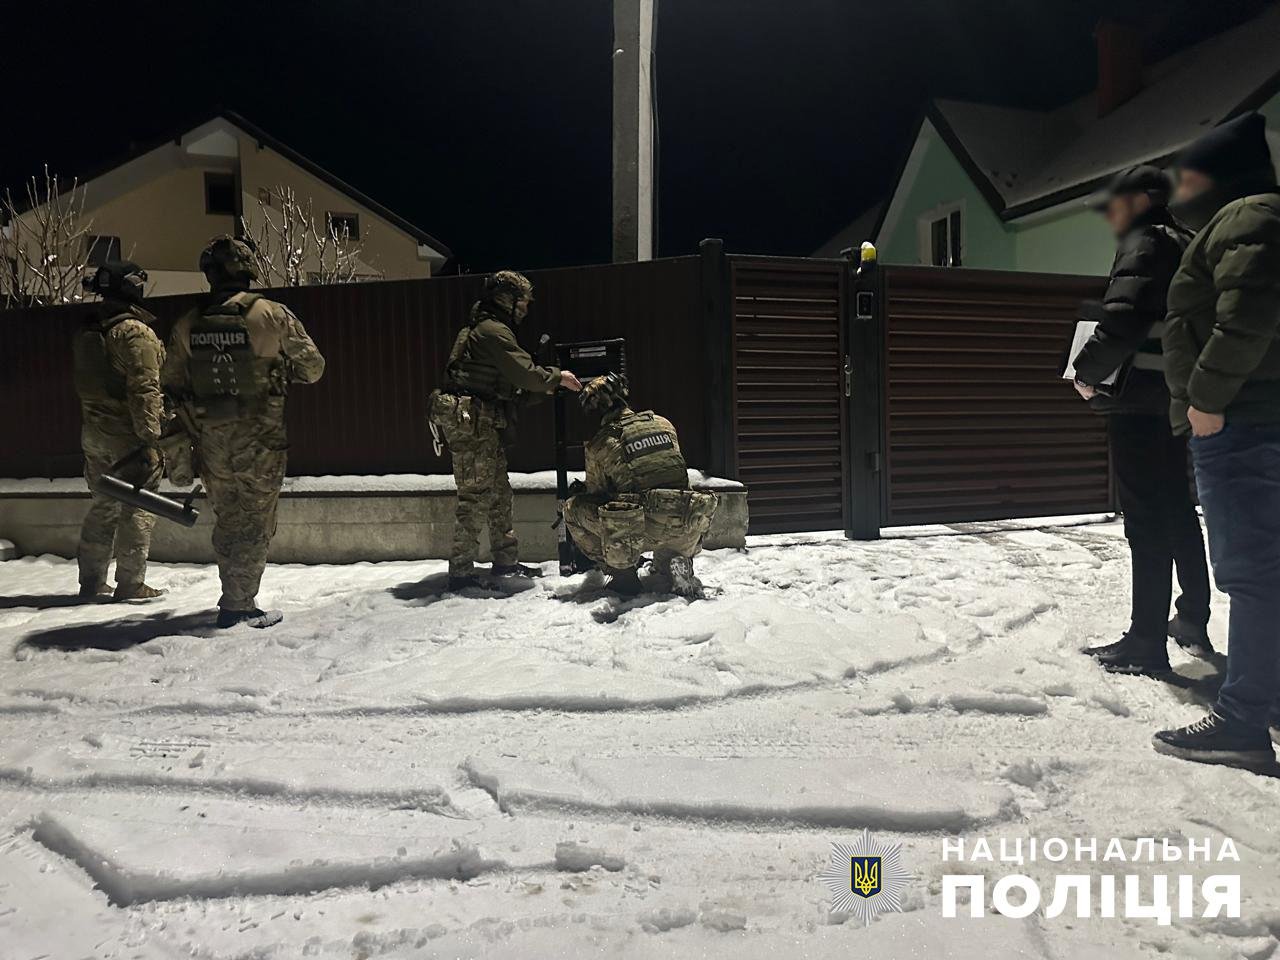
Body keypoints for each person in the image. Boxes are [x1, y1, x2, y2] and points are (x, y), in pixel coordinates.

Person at [1153, 113, 1280, 767]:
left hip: (1242, 423)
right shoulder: (1251, 217)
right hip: (1254, 418)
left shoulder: (1247, 215)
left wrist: (1205, 400)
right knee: (1267, 572)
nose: (1180, 191)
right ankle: (1267, 701)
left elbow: (1248, 314)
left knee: (1252, 573)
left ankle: (1243, 722)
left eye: (1189, 177)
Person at [1072, 165, 1211, 674]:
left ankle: (1145, 642)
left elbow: (1124, 318)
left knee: (1146, 518)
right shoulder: (1187, 240)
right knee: (1176, 504)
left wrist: (1086, 372)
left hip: (1139, 399)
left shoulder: (1144, 242)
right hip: (1176, 395)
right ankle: (1191, 617)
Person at [161, 236, 325, 628]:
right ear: (247, 269)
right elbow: (313, 368)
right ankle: (239, 606)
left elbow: (170, 382)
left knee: (229, 518)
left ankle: (234, 595)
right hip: (260, 438)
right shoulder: (270, 313)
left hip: (212, 437)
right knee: (255, 519)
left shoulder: (188, 322)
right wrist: (278, 370)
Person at [430, 270, 581, 590]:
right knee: (475, 497)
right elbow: (524, 373)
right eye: (522, 302)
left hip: (483, 423)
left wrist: (544, 387)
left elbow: (511, 386)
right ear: (506, 300)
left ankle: (506, 561)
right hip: (471, 424)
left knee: (499, 494)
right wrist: (557, 377)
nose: (525, 309)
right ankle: (461, 573)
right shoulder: (492, 331)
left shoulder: (490, 328)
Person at [563, 372, 718, 598]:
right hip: (686, 521)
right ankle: (675, 562)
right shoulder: (663, 423)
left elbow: (597, 493)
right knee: (665, 514)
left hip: (640, 528)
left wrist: (581, 492)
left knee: (573, 508)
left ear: (596, 410)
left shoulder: (600, 443)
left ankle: (623, 575)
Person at [72, 261, 167, 601]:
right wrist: (151, 436)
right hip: (127, 436)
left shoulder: (89, 330)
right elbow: (145, 389)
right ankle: (131, 583)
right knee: (138, 506)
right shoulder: (133, 332)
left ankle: (92, 580)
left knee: (103, 505)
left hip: (94, 433)